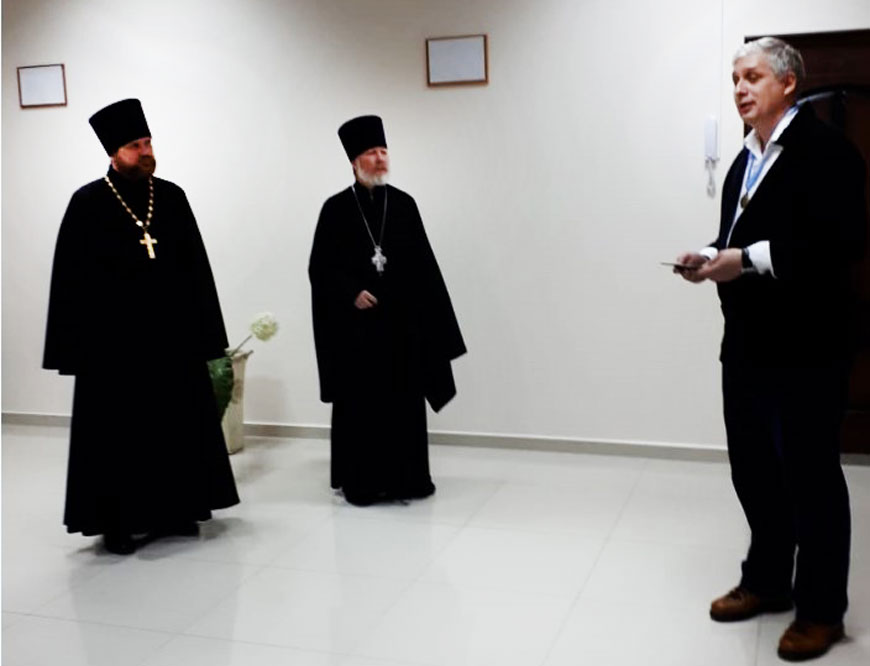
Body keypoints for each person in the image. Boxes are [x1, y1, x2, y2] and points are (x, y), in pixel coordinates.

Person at [674, 38, 867, 661]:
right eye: (735, 78)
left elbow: (840, 244)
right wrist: (710, 255)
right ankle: (766, 581)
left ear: (788, 83)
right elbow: (741, 236)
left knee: (811, 478)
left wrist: (746, 260)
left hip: (809, 347)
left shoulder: (827, 151)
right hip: (747, 344)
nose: (739, 88)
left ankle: (821, 611)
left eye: (753, 77)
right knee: (754, 471)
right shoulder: (744, 160)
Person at [43, 99, 240, 555]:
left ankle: (178, 510)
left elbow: (196, 269)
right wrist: (77, 346)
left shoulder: (171, 196)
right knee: (121, 438)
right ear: (114, 152)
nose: (146, 151)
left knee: (176, 427)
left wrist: (206, 332)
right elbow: (71, 281)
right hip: (115, 348)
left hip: (172, 341)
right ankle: (120, 523)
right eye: (136, 145)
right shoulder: (88, 202)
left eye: (148, 142)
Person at [309, 115, 466, 507]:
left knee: (403, 405)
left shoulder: (404, 205)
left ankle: (408, 479)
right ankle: (362, 483)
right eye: (371, 153)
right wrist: (350, 292)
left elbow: (424, 267)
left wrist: (430, 323)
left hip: (401, 329)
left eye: (383, 151)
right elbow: (320, 269)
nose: (380, 159)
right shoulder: (335, 209)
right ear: (354, 161)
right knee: (361, 408)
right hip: (357, 334)